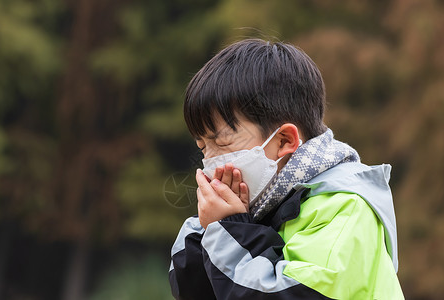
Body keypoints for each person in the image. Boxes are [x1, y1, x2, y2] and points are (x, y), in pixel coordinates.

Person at [168, 39, 404, 299]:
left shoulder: (344, 208)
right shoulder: (258, 208)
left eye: (222, 143)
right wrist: (209, 230)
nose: (210, 164)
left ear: (284, 141)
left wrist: (229, 233)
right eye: (203, 148)